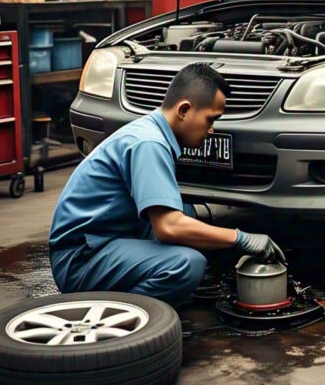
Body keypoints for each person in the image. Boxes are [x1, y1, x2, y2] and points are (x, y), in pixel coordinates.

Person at [49, 62, 282, 307]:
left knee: (189, 215)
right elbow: (168, 227)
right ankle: (130, 315)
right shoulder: (149, 144)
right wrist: (240, 238)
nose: (212, 130)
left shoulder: (151, 130)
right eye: (210, 119)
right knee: (186, 264)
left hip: (101, 240)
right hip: (79, 260)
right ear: (183, 110)